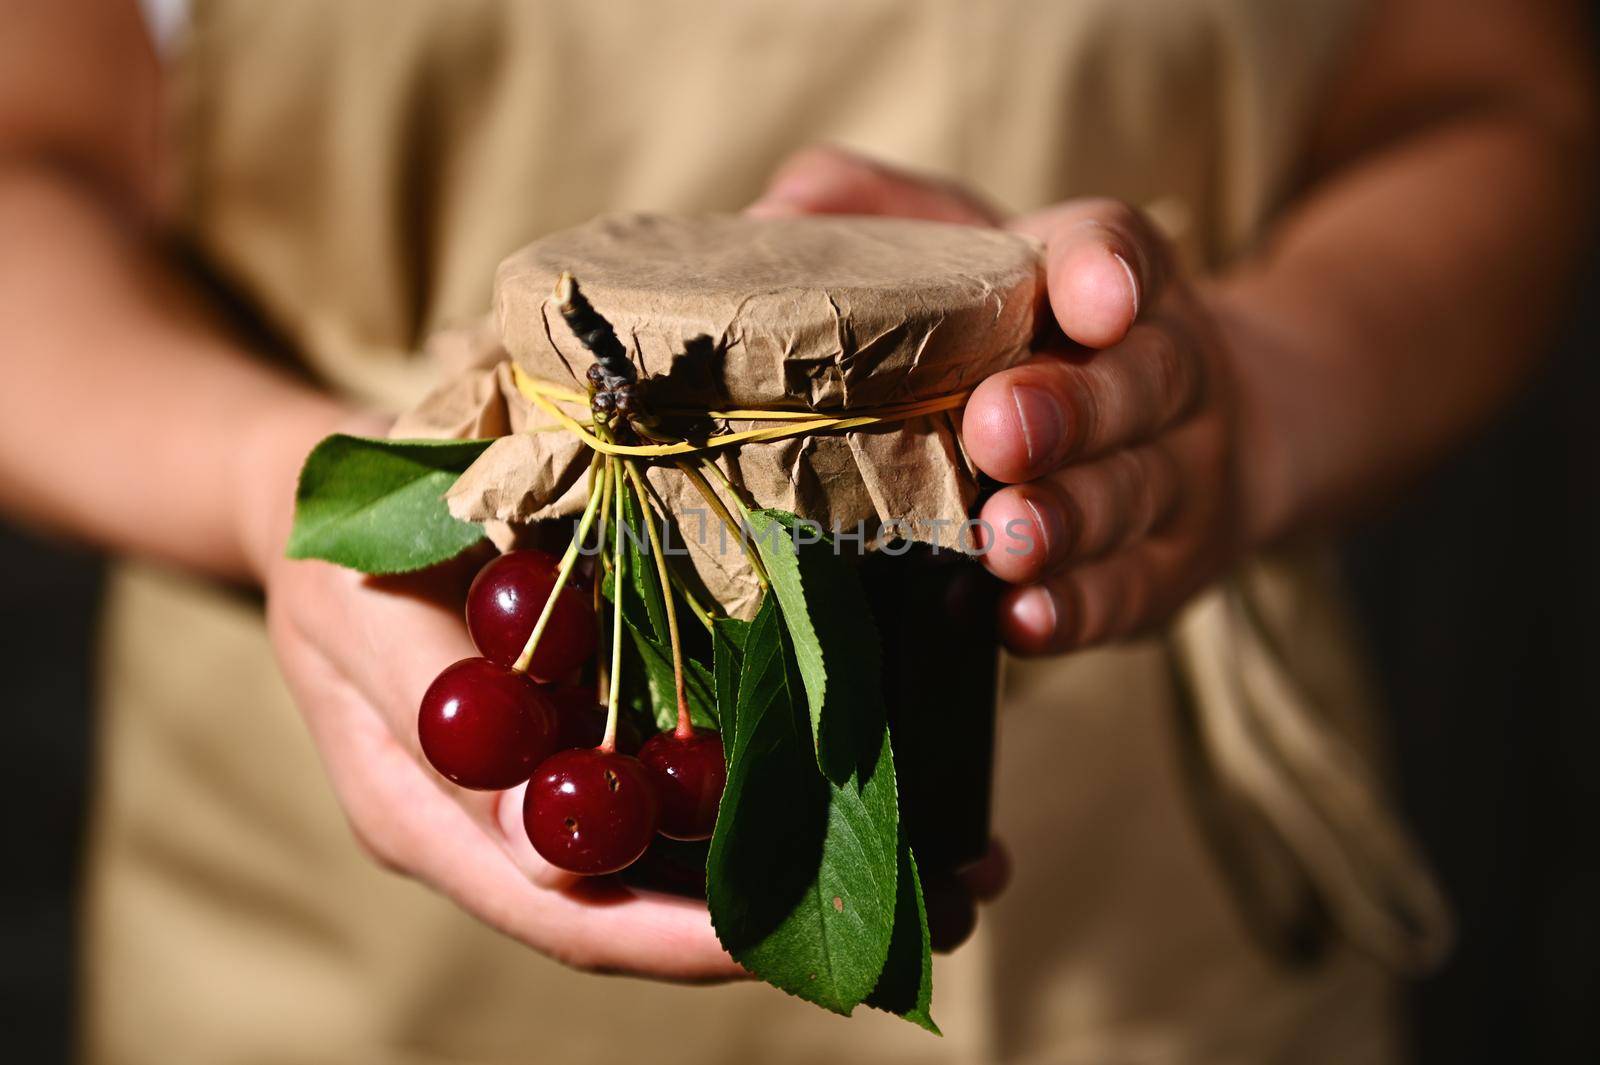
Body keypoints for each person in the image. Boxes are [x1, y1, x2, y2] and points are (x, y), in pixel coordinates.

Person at [0, 0, 1593, 1062]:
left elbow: (1495, 95)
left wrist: (1255, 400)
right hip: (324, 928)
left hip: (1128, 916)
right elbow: (28, 151)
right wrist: (272, 489)